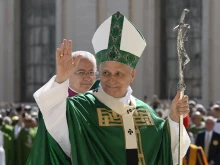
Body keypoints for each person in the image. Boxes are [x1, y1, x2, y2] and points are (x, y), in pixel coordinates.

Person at [30, 11, 190, 165]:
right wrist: (61, 79)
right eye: (106, 72)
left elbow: (167, 151)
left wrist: (175, 118)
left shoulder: (145, 112)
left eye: (119, 73)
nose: (111, 79)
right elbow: (52, 117)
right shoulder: (81, 108)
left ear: (132, 75)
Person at [27, 50, 99, 164]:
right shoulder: (57, 99)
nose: (87, 77)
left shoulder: (100, 101)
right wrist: (60, 79)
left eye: (91, 72)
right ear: (69, 72)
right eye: (81, 72)